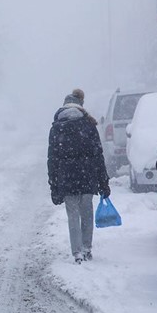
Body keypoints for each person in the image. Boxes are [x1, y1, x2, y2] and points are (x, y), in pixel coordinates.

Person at [48, 89, 110, 264]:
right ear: (81, 106)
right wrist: (103, 181)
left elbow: (52, 159)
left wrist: (54, 185)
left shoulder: (57, 127)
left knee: (73, 215)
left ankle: (77, 252)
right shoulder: (88, 125)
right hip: (87, 175)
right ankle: (87, 248)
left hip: (67, 177)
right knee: (87, 212)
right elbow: (98, 154)